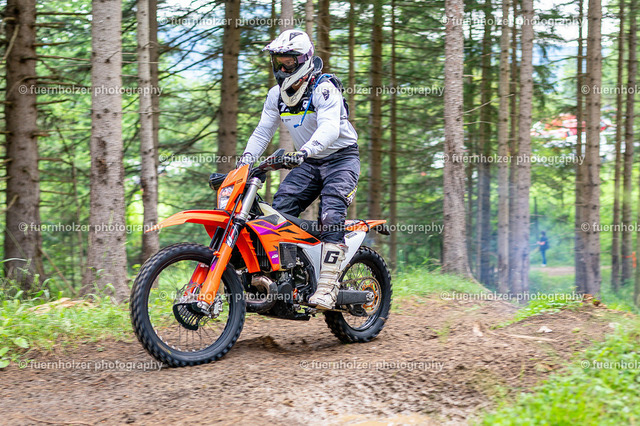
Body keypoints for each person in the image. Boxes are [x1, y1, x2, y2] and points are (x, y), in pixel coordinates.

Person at [236, 30, 359, 310]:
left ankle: (327, 286)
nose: (282, 69)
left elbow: (330, 128)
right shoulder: (276, 95)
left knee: (331, 212)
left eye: (288, 62)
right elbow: (262, 132)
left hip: (341, 159)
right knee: (278, 213)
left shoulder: (324, 88)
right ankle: (286, 278)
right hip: (310, 162)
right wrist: (244, 164)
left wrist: (304, 151)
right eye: (278, 62)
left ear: (303, 60)